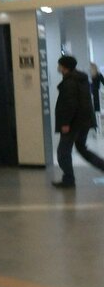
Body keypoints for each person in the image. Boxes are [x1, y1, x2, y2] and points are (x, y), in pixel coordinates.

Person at [54, 55, 104, 188]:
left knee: (63, 152)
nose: (58, 67)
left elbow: (70, 104)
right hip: (84, 121)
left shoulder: (70, 82)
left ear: (65, 67)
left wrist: (65, 123)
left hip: (73, 123)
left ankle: (68, 180)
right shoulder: (81, 79)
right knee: (81, 148)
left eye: (59, 65)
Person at [90, 62, 103, 129]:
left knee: (96, 110)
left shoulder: (98, 75)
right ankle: (96, 126)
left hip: (95, 94)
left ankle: (96, 126)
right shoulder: (93, 75)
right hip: (94, 94)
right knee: (95, 111)